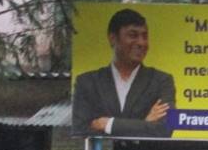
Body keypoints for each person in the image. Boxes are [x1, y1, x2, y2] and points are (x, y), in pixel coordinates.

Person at [72, 8, 176, 138]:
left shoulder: (161, 81)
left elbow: (166, 128)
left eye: (145, 36)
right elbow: (80, 130)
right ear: (113, 38)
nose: (141, 43)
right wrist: (144, 124)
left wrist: (108, 124)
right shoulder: (87, 82)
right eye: (133, 35)